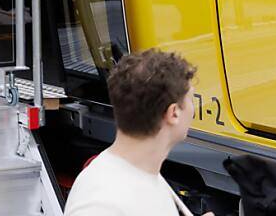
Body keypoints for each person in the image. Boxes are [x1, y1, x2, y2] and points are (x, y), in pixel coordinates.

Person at [65, 49, 210, 216]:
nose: (194, 110)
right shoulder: (101, 203)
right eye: (190, 100)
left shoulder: (142, 175)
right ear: (174, 113)